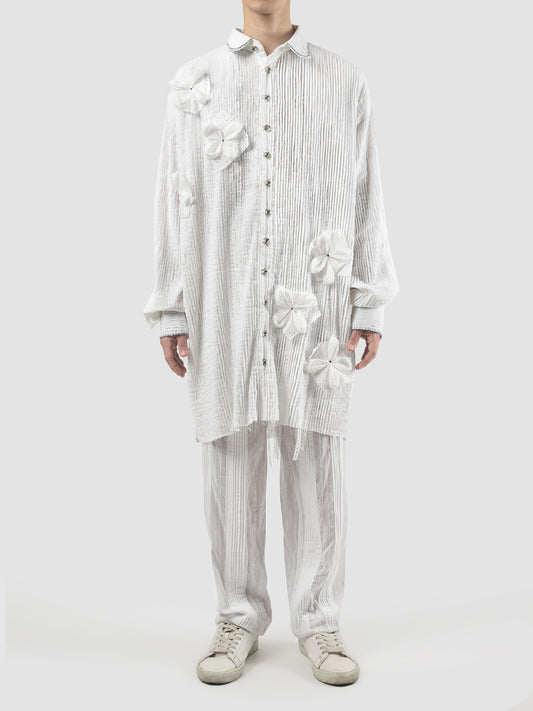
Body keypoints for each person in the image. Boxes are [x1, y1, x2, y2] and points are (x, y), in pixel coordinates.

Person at [143, 0, 399, 686]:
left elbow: (366, 191)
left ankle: (319, 619)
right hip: (223, 297)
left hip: (314, 302)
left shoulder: (342, 79)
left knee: (316, 455)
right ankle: (238, 615)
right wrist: (170, 307)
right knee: (229, 455)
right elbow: (172, 197)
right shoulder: (193, 82)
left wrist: (368, 297)